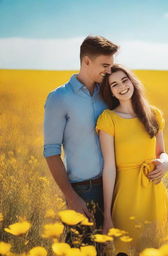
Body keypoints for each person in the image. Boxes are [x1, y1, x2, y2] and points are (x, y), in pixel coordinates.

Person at [43, 35, 118, 250]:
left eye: (111, 66)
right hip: (83, 191)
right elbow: (51, 152)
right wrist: (72, 197)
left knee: (107, 250)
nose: (109, 71)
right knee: (79, 249)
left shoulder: (108, 93)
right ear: (86, 61)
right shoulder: (59, 97)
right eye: (105, 65)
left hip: (114, 186)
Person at [96, 64, 168, 255]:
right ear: (111, 92)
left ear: (132, 82)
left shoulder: (153, 114)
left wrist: (166, 163)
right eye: (114, 85)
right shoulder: (108, 118)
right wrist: (107, 216)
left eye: (124, 80)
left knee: (155, 249)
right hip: (126, 196)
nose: (122, 87)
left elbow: (161, 152)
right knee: (125, 250)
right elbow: (109, 168)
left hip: (154, 193)